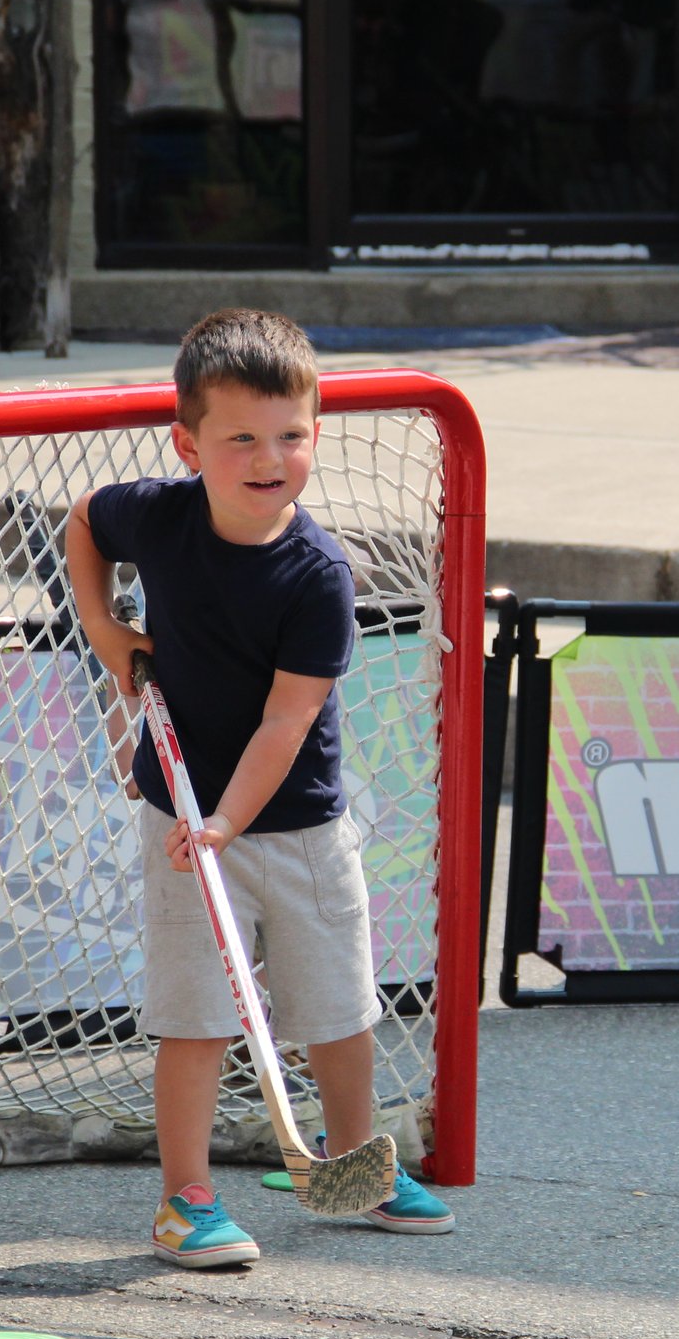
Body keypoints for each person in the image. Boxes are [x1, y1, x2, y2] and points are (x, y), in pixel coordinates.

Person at [64, 307, 455, 1269]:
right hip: (184, 819)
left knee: (339, 1008)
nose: (269, 458)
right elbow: (83, 523)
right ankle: (185, 1198)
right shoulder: (157, 514)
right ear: (187, 444)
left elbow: (287, 722)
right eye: (240, 438)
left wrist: (231, 820)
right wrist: (107, 630)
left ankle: (353, 1163)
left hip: (299, 826)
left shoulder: (319, 575)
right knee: (196, 1015)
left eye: (290, 435)